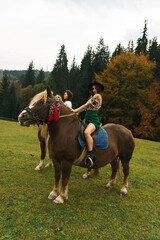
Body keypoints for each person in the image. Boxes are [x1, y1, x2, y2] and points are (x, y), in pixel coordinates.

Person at [73, 80, 104, 168]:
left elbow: (85, 104)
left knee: (87, 133)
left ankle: (91, 155)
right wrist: (77, 112)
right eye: (92, 88)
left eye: (95, 88)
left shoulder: (98, 96)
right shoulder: (92, 96)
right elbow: (86, 107)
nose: (94, 90)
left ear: (98, 89)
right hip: (87, 119)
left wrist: (74, 110)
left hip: (94, 120)